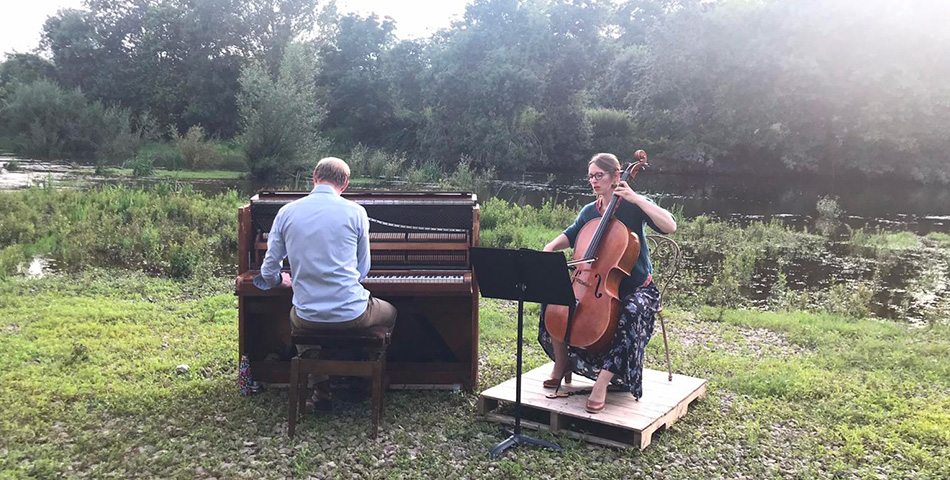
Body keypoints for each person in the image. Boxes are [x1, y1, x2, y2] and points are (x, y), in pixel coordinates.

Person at [253, 157, 397, 408]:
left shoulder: (286, 212)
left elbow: (267, 273)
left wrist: (281, 279)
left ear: (314, 177)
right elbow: (363, 271)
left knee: (294, 315)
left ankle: (321, 389)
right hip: (354, 314)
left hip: (308, 316)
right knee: (391, 313)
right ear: (345, 184)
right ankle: (366, 379)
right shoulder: (356, 212)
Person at [538, 152, 676, 413]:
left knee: (632, 312)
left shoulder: (634, 206)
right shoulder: (591, 210)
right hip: (595, 285)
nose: (593, 180)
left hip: (637, 289)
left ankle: (602, 382)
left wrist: (636, 198)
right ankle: (561, 362)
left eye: (598, 175)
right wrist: (550, 246)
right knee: (554, 295)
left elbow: (669, 226)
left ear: (616, 176)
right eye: (590, 176)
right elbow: (571, 234)